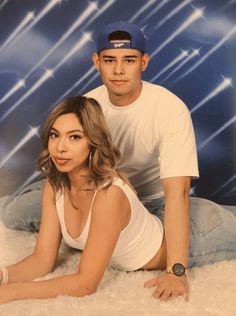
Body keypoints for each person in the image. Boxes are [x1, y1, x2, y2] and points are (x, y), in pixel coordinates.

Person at [0, 21, 236, 302]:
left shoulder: (169, 109)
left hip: (159, 203)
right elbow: (41, 260)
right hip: (103, 188)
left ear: (144, 63)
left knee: (215, 221)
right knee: (15, 212)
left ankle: (216, 214)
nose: (119, 70)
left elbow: (178, 193)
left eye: (130, 60)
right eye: (110, 60)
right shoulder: (88, 107)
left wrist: (176, 270)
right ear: (96, 62)